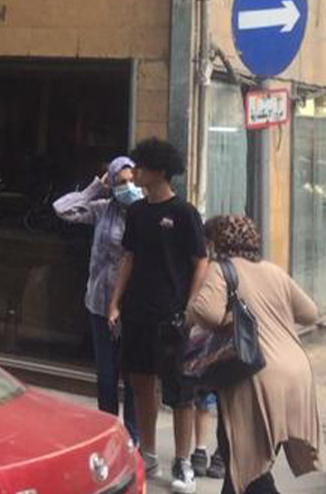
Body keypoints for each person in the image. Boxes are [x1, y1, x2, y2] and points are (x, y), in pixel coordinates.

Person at [187, 214, 322, 494]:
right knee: (246, 467)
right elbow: (311, 313)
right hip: (296, 375)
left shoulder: (221, 269)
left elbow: (204, 312)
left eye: (209, 242)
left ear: (217, 243)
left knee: (247, 469)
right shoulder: (273, 271)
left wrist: (233, 319)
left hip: (255, 374)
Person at [106, 137, 208, 492]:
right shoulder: (137, 212)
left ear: (160, 171)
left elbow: (201, 261)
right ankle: (147, 453)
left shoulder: (184, 213)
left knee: (180, 391)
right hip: (138, 310)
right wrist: (115, 302)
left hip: (172, 315)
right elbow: (129, 258)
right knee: (140, 385)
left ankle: (182, 461)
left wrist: (190, 305)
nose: (136, 173)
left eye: (142, 167)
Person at [52, 153, 142, 442]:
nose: (127, 187)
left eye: (131, 180)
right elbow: (62, 209)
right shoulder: (103, 210)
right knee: (106, 375)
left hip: (132, 306)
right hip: (100, 303)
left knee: (133, 376)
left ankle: (134, 435)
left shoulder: (145, 213)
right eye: (121, 182)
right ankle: (108, 430)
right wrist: (94, 188)